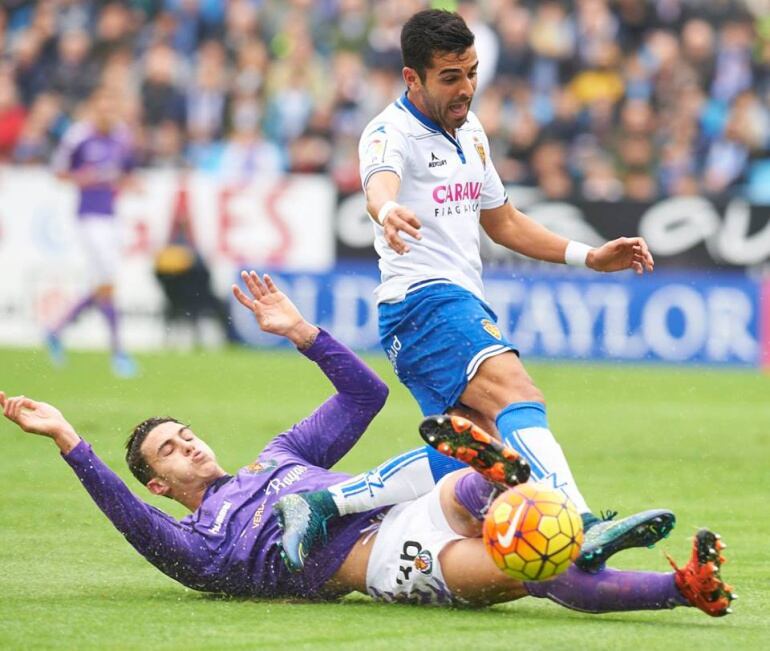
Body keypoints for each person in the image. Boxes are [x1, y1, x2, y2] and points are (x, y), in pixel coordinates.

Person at [0, 271, 734, 616]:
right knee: (538, 568)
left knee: (477, 478)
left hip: (410, 507)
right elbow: (129, 521)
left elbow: (365, 396)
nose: (188, 446)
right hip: (391, 560)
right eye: (169, 450)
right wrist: (69, 440)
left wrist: (302, 333)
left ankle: (536, 498)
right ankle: (683, 587)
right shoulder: (198, 546)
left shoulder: (276, 457)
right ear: (159, 485)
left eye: (185, 433)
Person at [276, 8, 672, 573]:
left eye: (472, 72)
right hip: (424, 302)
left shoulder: (471, 131)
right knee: (516, 390)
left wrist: (588, 256)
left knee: (481, 456)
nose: (466, 88)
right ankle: (583, 525)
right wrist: (386, 210)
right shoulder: (389, 133)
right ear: (412, 78)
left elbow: (503, 222)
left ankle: (321, 503)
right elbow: (379, 186)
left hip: (441, 307)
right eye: (450, 77)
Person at [45, 87, 137, 378]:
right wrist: (81, 178)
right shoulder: (78, 136)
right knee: (107, 283)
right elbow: (59, 171)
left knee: (102, 285)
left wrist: (129, 184)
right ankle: (118, 351)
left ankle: (56, 330)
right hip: (88, 217)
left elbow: (126, 172)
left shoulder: (122, 136)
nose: (107, 113)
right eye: (102, 107)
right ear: (93, 108)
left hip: (111, 216)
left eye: (111, 107)